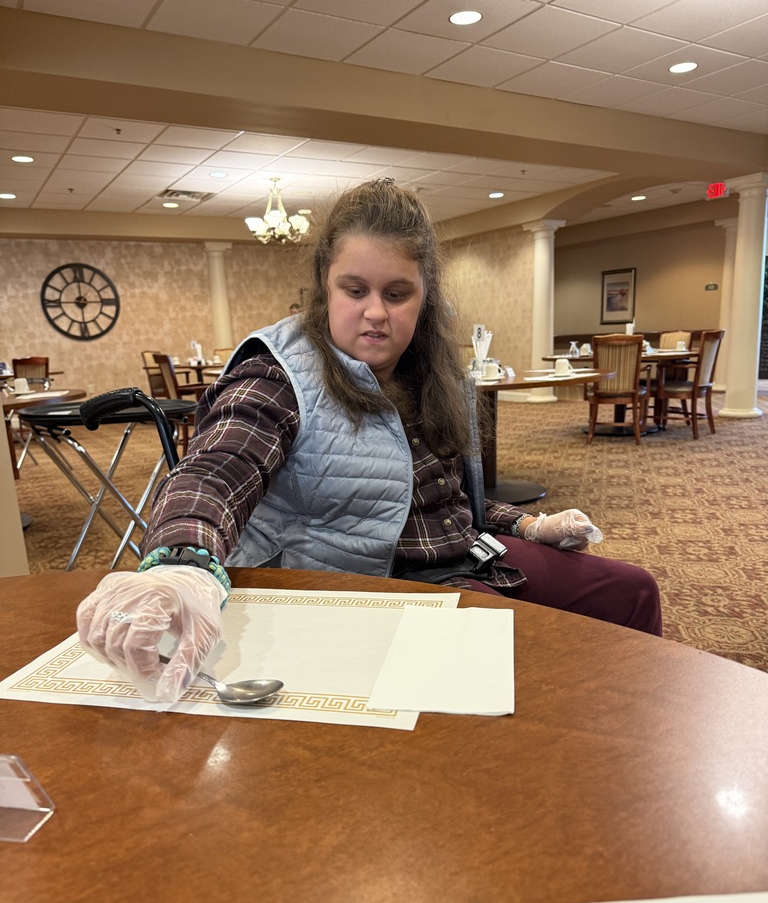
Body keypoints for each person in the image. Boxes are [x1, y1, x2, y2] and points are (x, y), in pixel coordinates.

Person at [77, 179, 662, 702]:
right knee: (515, 667)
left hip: (463, 554)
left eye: (397, 293)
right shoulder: (278, 372)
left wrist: (522, 524)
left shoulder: (431, 370)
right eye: (354, 290)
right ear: (324, 288)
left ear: (424, 295)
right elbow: (215, 471)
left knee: (631, 591)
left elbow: (445, 497)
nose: (375, 313)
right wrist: (183, 562)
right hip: (369, 584)